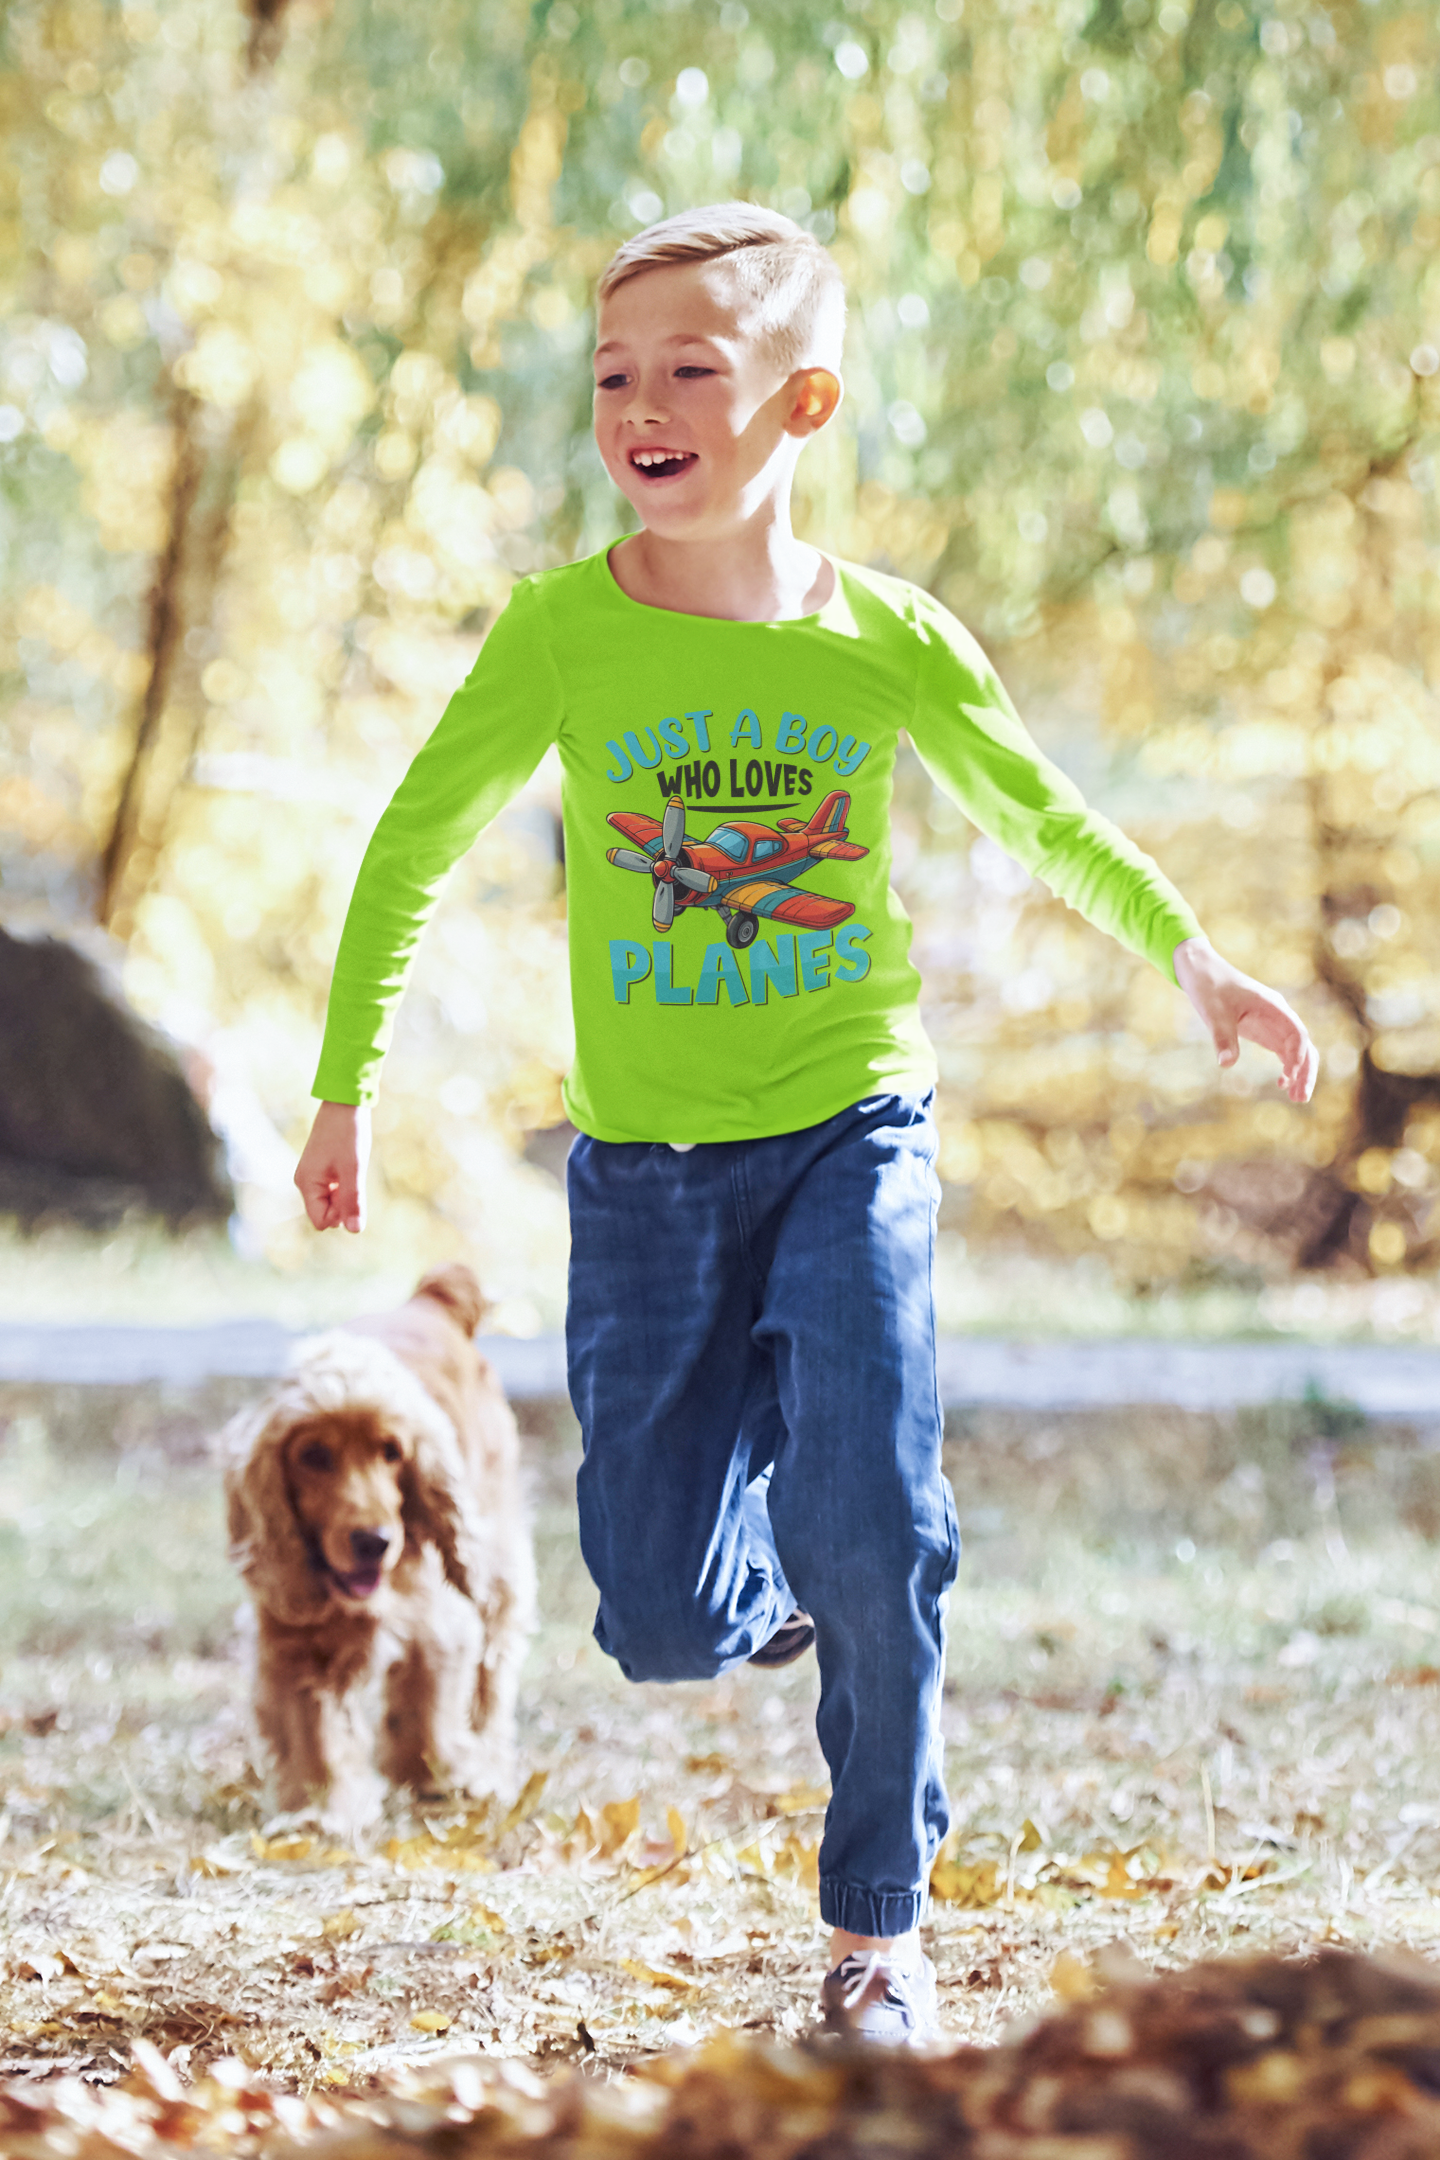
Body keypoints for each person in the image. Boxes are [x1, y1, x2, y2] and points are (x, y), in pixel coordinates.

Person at [295, 203, 1318, 2044]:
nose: (643, 404)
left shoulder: (887, 643)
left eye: (694, 367)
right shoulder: (560, 636)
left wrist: (1198, 960)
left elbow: (1044, 816)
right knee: (662, 1615)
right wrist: (343, 1080)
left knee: (880, 1521)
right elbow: (413, 844)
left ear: (803, 402)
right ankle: (792, 1557)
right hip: (649, 1183)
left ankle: (876, 1940)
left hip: (856, 1127)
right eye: (615, 372)